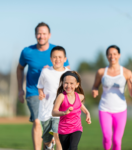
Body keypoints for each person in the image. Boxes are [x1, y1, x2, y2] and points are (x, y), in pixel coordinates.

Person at [17, 22, 70, 150]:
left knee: (52, 123)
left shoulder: (57, 51)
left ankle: (48, 144)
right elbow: (20, 69)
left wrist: (52, 68)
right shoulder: (27, 51)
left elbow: (66, 70)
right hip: (34, 91)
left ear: (49, 35)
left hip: (54, 94)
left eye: (44, 33)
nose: (41, 36)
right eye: (39, 33)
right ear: (35, 35)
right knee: (37, 121)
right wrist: (20, 89)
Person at [92, 45, 132, 150]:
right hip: (104, 108)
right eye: (110, 54)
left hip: (120, 110)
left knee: (117, 140)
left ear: (119, 55)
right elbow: (95, 86)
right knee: (107, 137)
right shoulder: (101, 72)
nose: (112, 56)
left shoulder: (126, 73)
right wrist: (94, 90)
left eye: (115, 54)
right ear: (107, 56)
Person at [37, 46, 69, 150]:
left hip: (61, 111)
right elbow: (40, 87)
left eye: (60, 57)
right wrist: (41, 94)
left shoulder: (69, 74)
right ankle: (49, 146)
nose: (57, 59)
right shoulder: (45, 72)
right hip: (46, 111)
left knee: (58, 137)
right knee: (46, 140)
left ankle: (54, 142)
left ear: (65, 59)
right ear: (51, 59)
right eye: (55, 57)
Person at [52, 71, 91, 150]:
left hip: (76, 128)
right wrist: (64, 112)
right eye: (66, 83)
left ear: (77, 85)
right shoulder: (61, 96)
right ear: (62, 83)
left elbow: (80, 105)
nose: (68, 86)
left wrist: (87, 113)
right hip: (63, 130)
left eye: (71, 83)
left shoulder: (80, 97)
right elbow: (53, 112)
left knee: (73, 147)